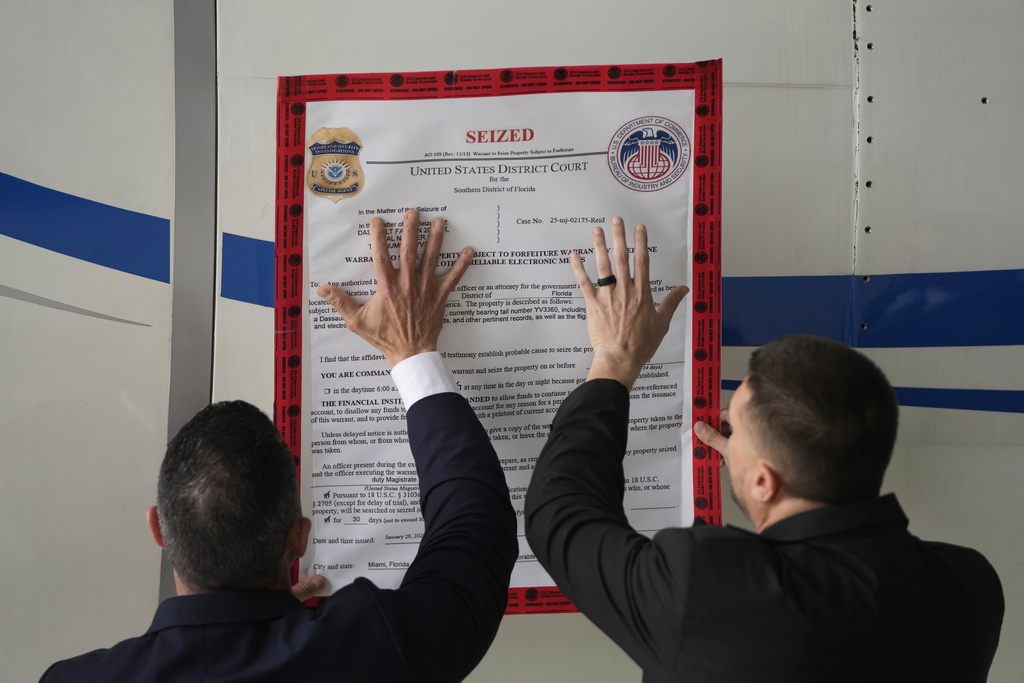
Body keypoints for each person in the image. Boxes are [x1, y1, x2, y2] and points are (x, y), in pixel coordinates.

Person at [42, 210, 518, 682]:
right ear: (299, 536)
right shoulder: (373, 650)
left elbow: (480, 527)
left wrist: (251, 630)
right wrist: (410, 350)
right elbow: (477, 526)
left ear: (158, 528)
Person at [524, 217, 1004, 682]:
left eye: (740, 428)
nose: (727, 428)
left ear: (763, 481)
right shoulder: (969, 585)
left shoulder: (711, 586)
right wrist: (760, 447)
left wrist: (614, 361)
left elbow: (559, 514)